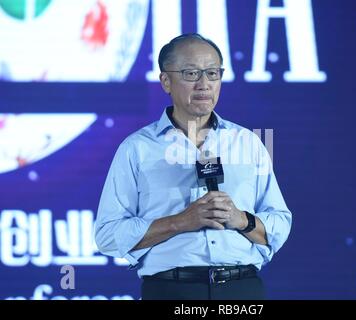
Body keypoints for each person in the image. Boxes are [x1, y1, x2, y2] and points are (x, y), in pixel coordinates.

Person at [95, 33, 292, 300]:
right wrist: (180, 222)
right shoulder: (136, 148)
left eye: (212, 73)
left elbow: (280, 223)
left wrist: (240, 219)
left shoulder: (248, 143)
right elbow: (108, 235)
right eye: (191, 74)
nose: (204, 85)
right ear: (166, 81)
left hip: (240, 288)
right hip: (171, 290)